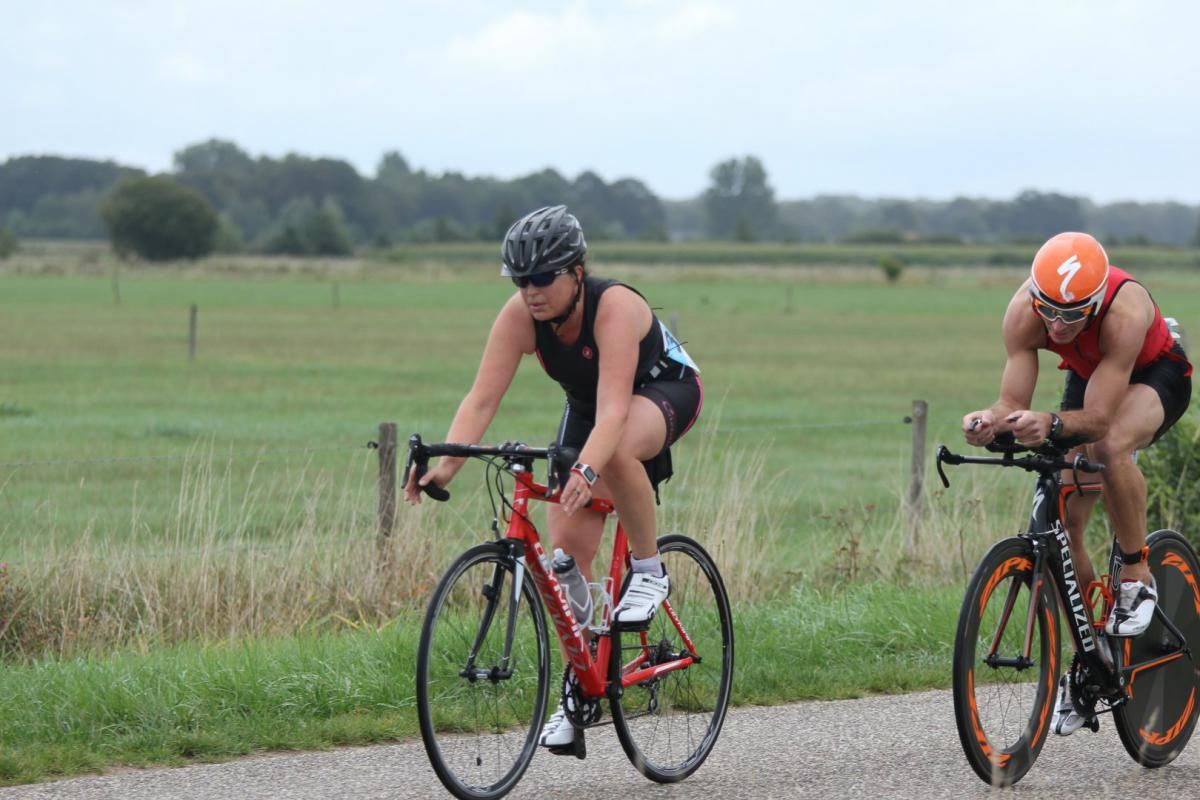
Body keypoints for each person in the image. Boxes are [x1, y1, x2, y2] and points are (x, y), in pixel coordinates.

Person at [404, 204, 702, 752]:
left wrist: (588, 467)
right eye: (521, 280)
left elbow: (615, 413)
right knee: (562, 563)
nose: (531, 291)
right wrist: (447, 466)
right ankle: (581, 685)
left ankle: (649, 569)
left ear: (576, 272)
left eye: (543, 277)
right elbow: (482, 397)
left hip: (663, 389)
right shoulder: (519, 316)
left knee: (611, 457)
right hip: (590, 405)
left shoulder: (614, 307)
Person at [961, 231, 1191, 736]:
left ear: (1094, 303)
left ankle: (1136, 574)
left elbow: (1101, 421)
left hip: (1155, 373)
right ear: (1035, 296)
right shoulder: (1025, 311)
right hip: (1092, 377)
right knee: (1065, 519)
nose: (1058, 326)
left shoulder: (1125, 310)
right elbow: (1009, 400)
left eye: (1072, 315)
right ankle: (1094, 653)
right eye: (1050, 312)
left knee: (1106, 450)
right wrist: (989, 420)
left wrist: (1052, 422)